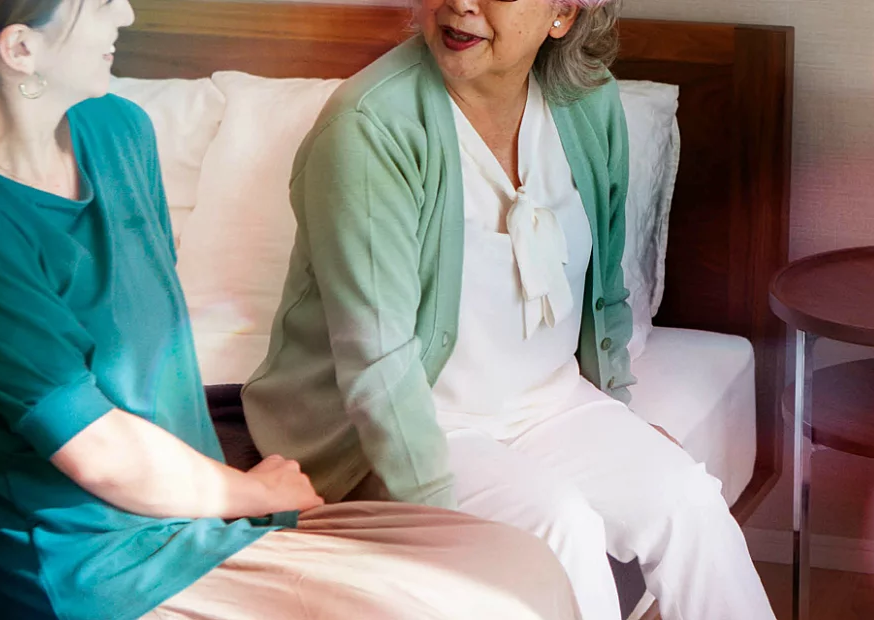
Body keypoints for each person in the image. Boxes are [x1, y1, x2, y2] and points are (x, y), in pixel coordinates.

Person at [0, 1, 580, 618]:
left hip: (199, 518)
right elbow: (100, 449)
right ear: (22, 49)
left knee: (522, 564)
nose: (124, 12)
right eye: (97, 4)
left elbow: (150, 370)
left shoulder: (116, 133)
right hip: (103, 576)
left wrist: (239, 505)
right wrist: (252, 490)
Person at [241, 1, 776, 618]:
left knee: (687, 500)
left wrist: (619, 419)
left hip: (550, 402)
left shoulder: (589, 103)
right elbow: (377, 367)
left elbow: (605, 296)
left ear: (563, 14)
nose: (461, 3)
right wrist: (440, 521)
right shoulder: (371, 125)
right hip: (414, 421)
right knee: (560, 528)